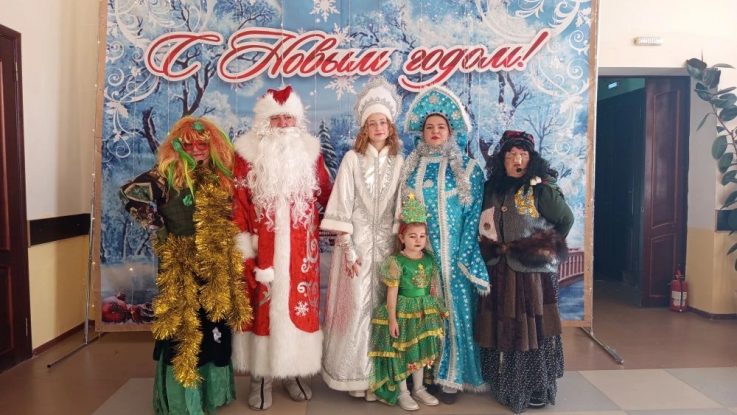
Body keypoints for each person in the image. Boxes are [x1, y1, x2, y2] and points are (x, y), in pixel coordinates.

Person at [120, 116, 252, 415]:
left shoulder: (220, 174)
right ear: (178, 146)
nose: (196, 149)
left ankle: (212, 395)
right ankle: (183, 402)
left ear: (213, 144)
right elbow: (127, 192)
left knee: (213, 326)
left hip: (215, 263)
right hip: (180, 265)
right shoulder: (165, 175)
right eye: (188, 144)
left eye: (202, 143)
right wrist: (157, 226)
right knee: (184, 332)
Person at [230, 85, 333, 411]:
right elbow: (238, 205)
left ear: (298, 120)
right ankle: (261, 377)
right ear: (265, 122)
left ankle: (294, 371)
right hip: (264, 251)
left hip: (302, 254)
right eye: (277, 118)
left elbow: (328, 194)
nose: (284, 124)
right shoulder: (246, 156)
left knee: (299, 309)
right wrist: (244, 250)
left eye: (289, 117)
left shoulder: (311, 154)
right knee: (263, 312)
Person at [399, 86, 489, 402]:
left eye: (441, 126)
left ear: (451, 130)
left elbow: (474, 216)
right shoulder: (410, 168)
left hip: (456, 256)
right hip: (420, 256)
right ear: (421, 132)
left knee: (455, 311)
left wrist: (464, 255)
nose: (435, 132)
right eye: (429, 127)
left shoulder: (468, 168)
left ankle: (454, 376)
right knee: (424, 313)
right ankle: (424, 375)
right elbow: (403, 213)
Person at [476, 130, 573, 413]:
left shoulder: (542, 189)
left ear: (531, 159)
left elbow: (565, 220)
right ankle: (505, 381)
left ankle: (537, 385)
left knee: (533, 329)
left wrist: (542, 246)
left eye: (522, 155)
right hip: (499, 269)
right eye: (511, 155)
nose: (517, 160)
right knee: (503, 325)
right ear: (502, 160)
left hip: (532, 274)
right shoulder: (492, 188)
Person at [320, 77, 404, 399]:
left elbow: (401, 206)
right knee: (355, 308)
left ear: (390, 127)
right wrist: (348, 249)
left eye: (383, 122)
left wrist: (399, 246)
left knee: (384, 308)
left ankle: (378, 379)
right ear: (364, 129)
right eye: (372, 123)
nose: (378, 128)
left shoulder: (399, 162)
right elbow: (342, 205)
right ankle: (353, 377)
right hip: (355, 248)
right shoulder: (352, 160)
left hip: (386, 249)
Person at [369, 193, 447, 411]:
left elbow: (432, 288)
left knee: (420, 350)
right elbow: (392, 293)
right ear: (402, 238)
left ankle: (419, 388)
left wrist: (434, 310)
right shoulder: (396, 262)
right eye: (413, 236)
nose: (418, 240)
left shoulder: (429, 259)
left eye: (422, 236)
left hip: (424, 311)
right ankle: (403, 392)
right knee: (402, 351)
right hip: (403, 311)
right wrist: (392, 319)